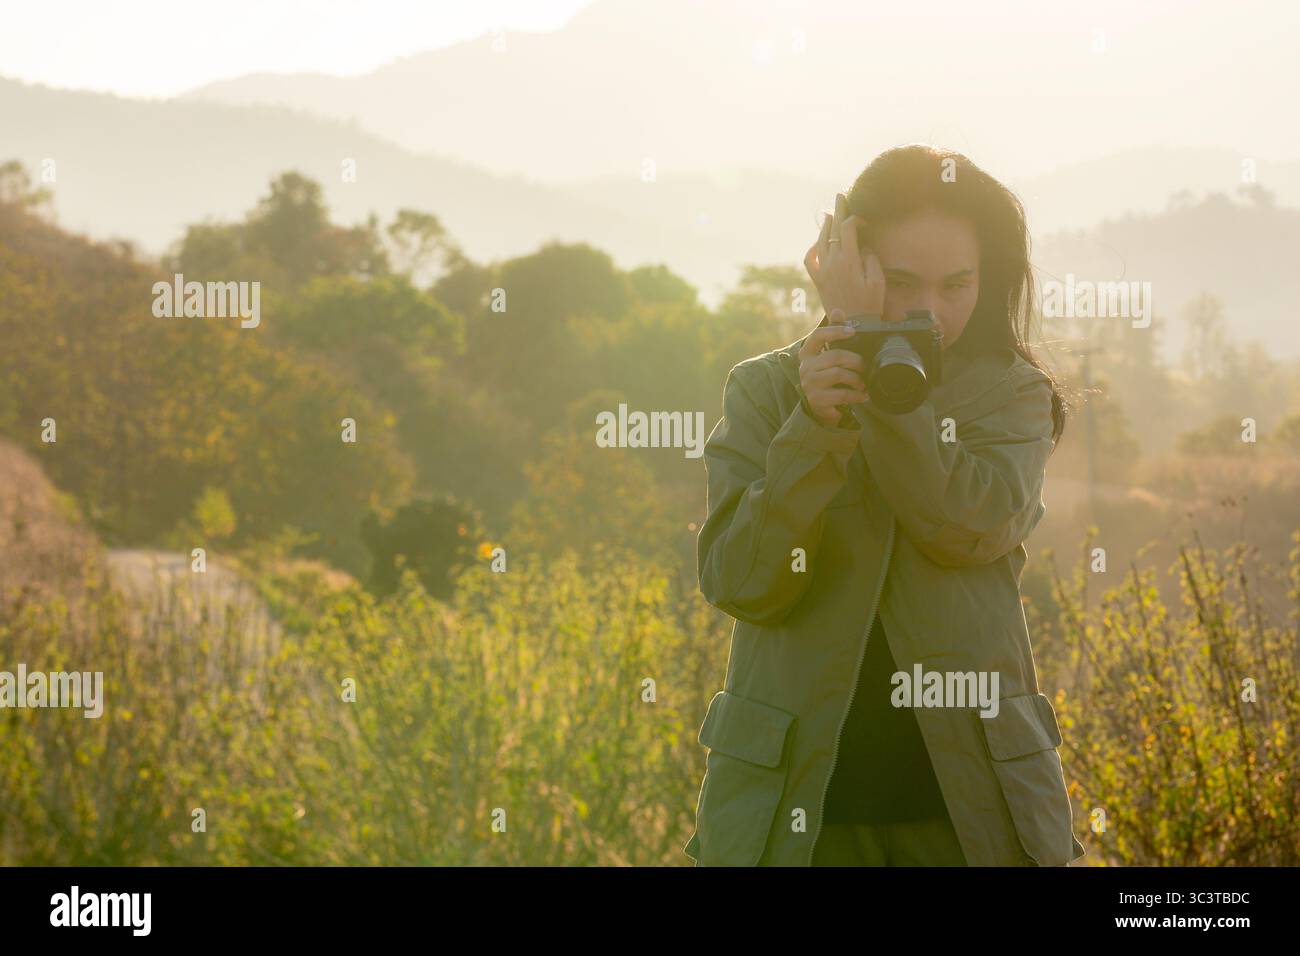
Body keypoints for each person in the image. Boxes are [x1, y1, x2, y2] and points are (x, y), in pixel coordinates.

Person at [683, 144, 1086, 867]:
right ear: (848, 264)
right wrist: (815, 427)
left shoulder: (1011, 394)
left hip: (970, 819)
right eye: (899, 283)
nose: (930, 311)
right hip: (792, 821)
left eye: (958, 284)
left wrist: (888, 391)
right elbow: (741, 580)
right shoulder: (768, 391)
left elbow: (966, 527)